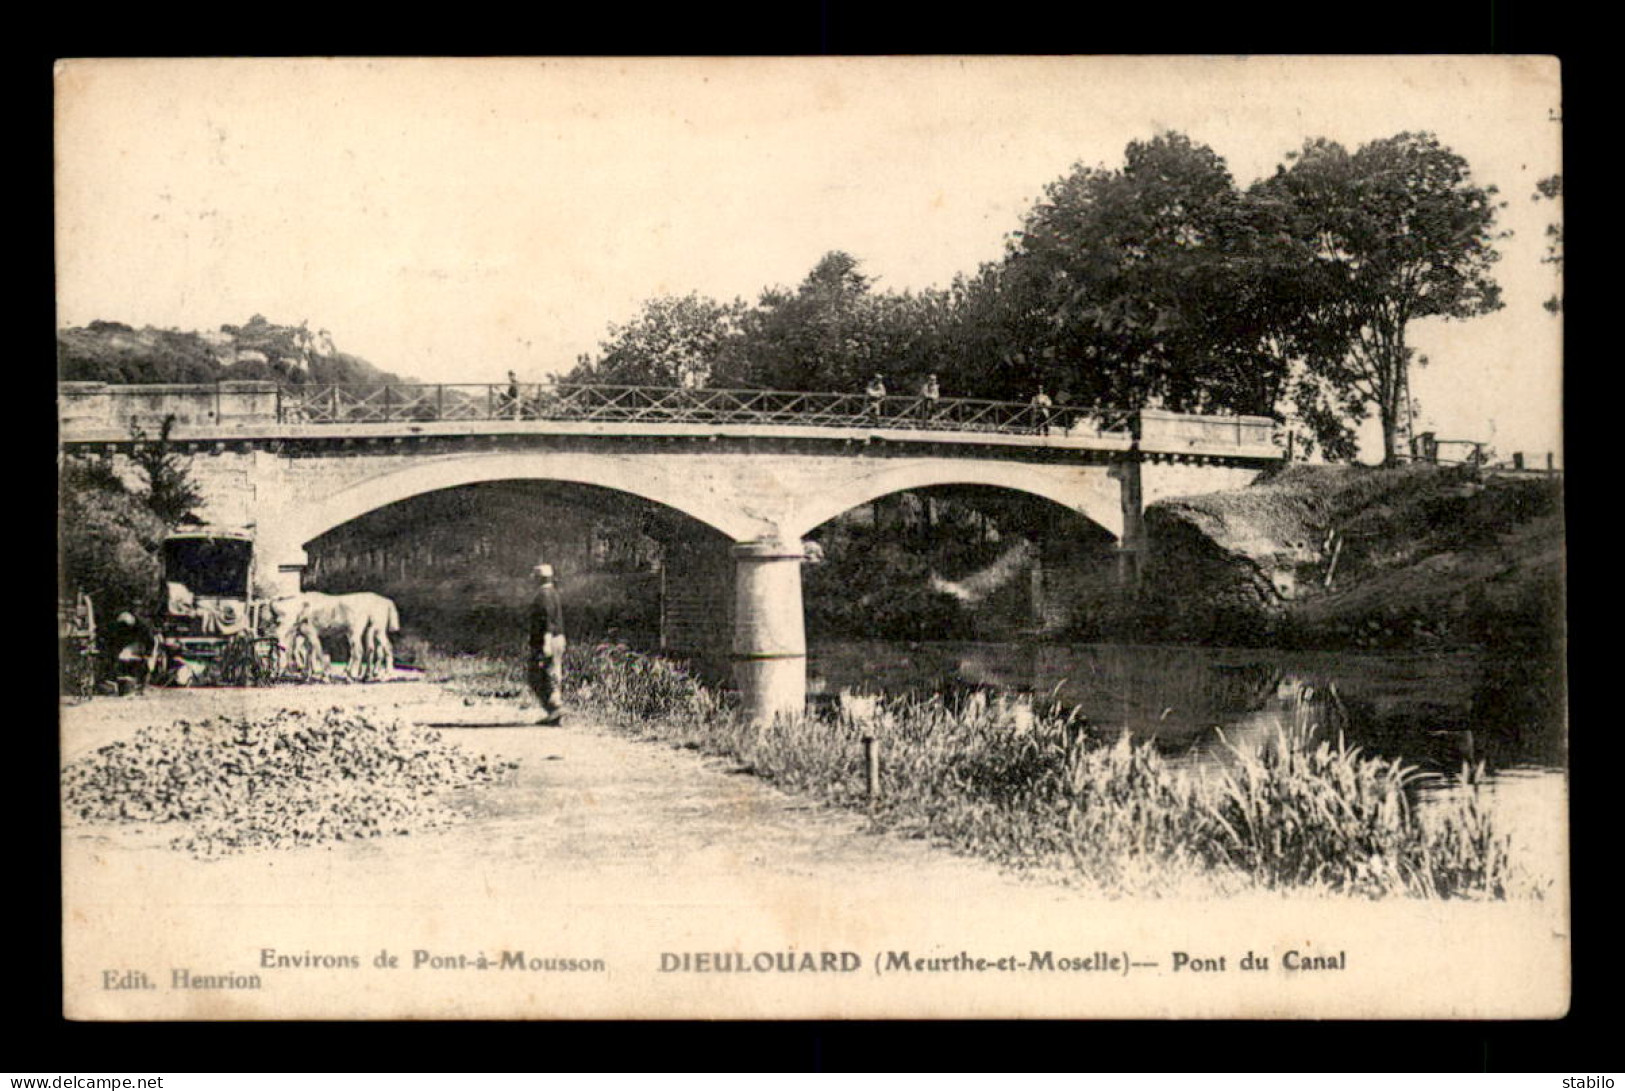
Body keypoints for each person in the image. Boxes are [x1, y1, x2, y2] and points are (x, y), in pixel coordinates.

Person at [528, 563, 567, 725]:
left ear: (539, 578)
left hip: (548, 639)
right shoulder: (553, 593)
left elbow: (547, 620)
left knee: (537, 675)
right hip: (558, 638)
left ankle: (554, 707)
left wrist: (546, 642)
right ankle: (554, 711)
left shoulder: (543, 596)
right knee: (552, 671)